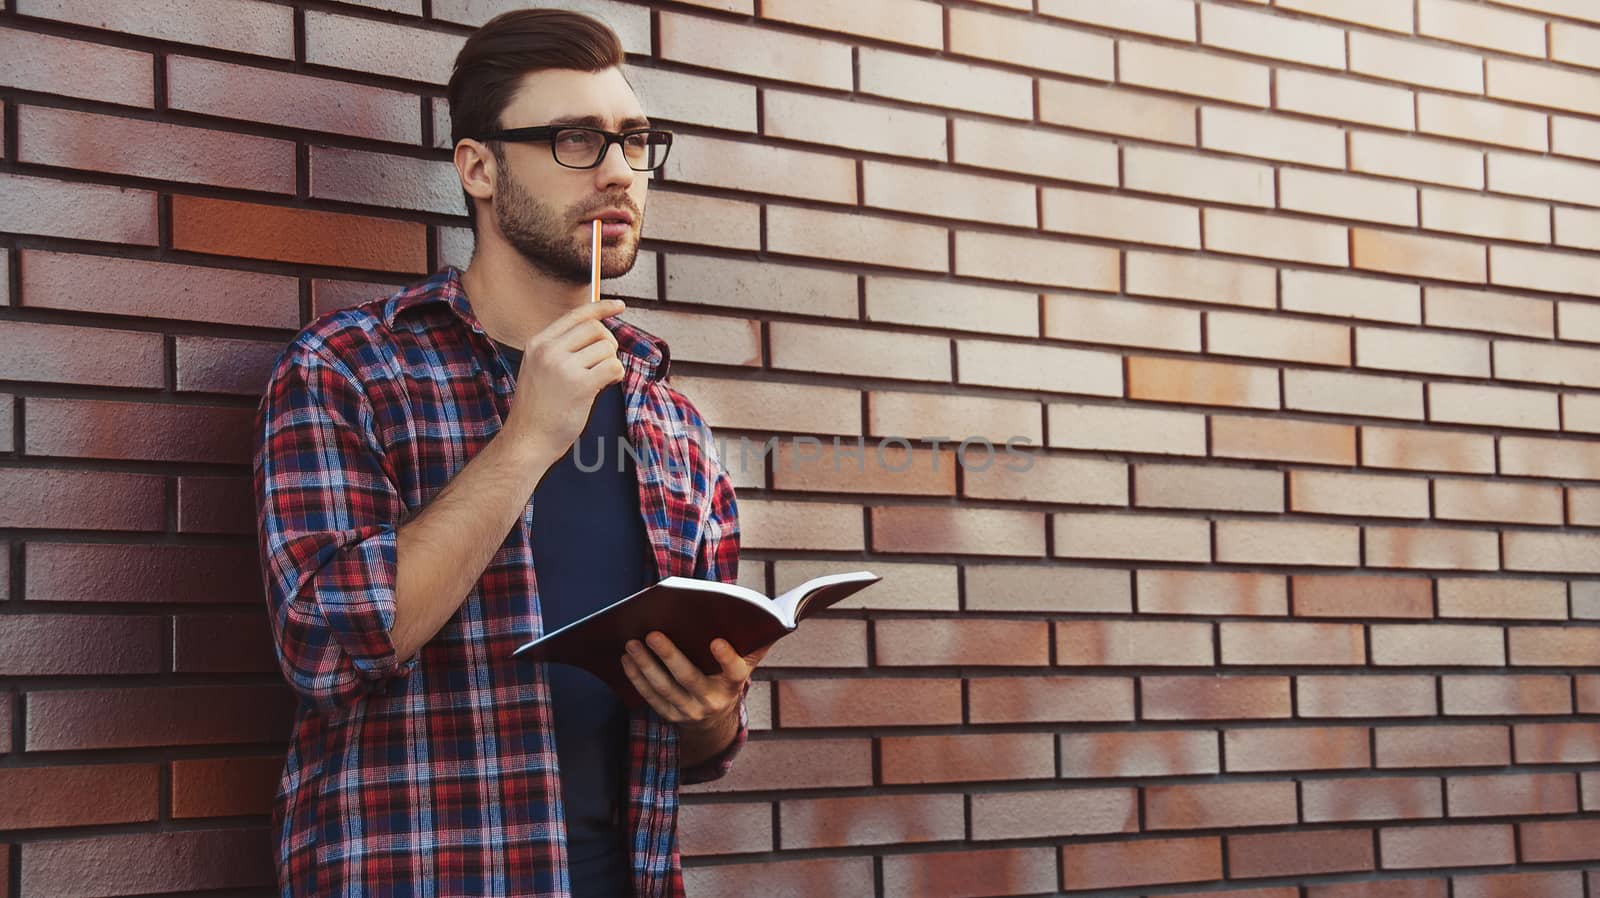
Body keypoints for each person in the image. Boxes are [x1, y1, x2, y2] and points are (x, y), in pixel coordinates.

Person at [252, 9, 763, 896]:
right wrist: (528, 438)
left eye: (635, 142)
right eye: (575, 139)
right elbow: (329, 647)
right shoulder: (350, 370)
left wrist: (712, 717)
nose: (617, 173)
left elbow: (697, 751)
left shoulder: (671, 423)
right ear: (478, 167)